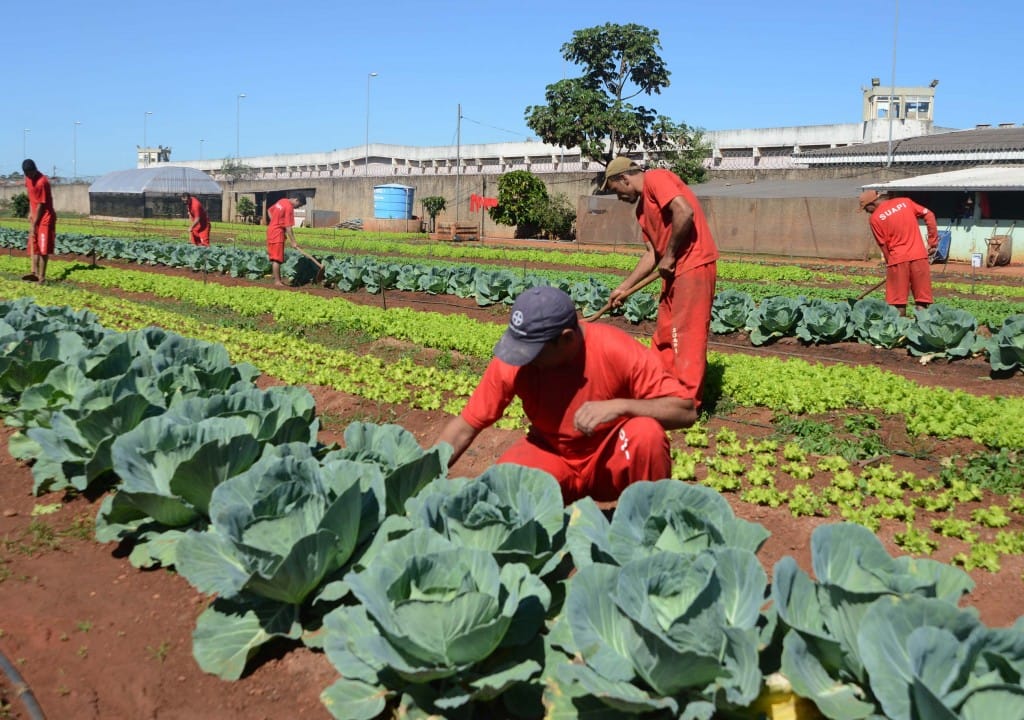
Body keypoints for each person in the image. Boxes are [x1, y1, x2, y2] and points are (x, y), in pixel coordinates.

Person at [435, 286, 697, 503]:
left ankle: (649, 524)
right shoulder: (515, 359)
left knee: (646, 435)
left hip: (609, 463)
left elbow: (685, 410)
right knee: (506, 483)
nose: (523, 360)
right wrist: (420, 476)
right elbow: (466, 426)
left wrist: (622, 406)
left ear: (567, 339)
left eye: (533, 352)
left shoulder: (615, 349)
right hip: (553, 457)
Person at [601, 157, 719, 410]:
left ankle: (684, 405)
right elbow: (652, 254)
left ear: (624, 178)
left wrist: (671, 254)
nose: (617, 196)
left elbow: (684, 211)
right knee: (666, 333)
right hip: (674, 270)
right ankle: (660, 391)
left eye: (615, 189)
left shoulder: (656, 178)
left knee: (686, 336)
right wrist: (624, 287)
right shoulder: (642, 212)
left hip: (693, 264)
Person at [858, 189, 939, 316]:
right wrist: (932, 242)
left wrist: (890, 264)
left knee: (898, 302)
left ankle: (899, 332)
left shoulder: (874, 219)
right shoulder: (905, 202)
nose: (867, 212)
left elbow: (883, 245)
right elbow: (929, 215)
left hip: (897, 259)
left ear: (871, 204)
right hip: (919, 256)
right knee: (922, 301)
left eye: (865, 209)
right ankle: (922, 331)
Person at [22, 159, 57, 284]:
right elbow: (31, 197)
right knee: (33, 245)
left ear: (35, 169)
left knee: (43, 248)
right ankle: (34, 274)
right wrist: (30, 212)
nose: (29, 176)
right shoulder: (27, 179)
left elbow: (41, 206)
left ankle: (41, 277)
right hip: (35, 216)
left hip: (45, 218)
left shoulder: (42, 182)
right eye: (27, 174)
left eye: (31, 173)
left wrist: (35, 223)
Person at [265, 194, 305, 286]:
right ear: (296, 200)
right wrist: (293, 242)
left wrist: (274, 222)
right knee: (277, 258)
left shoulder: (282, 201)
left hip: (271, 230)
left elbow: (269, 210)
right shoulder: (289, 207)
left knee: (275, 257)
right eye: (299, 205)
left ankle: (277, 279)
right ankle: (277, 281)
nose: (297, 208)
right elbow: (288, 227)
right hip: (277, 234)